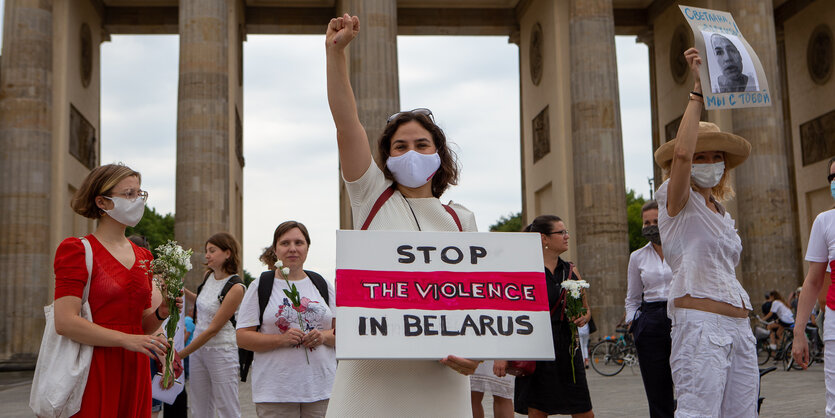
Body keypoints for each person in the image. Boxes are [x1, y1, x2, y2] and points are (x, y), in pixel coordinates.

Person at [325, 13, 482, 416]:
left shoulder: (461, 220)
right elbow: (347, 125)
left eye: (422, 144)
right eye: (399, 146)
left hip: (441, 379)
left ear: (439, 154)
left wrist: (477, 353)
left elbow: (479, 301)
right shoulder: (370, 195)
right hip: (371, 378)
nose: (411, 152)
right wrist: (335, 54)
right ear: (386, 156)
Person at [654, 47, 757, 416]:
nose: (709, 162)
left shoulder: (721, 211)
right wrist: (698, 88)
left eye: (716, 156)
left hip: (739, 328)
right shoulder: (676, 200)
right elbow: (680, 154)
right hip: (700, 326)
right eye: (701, 155)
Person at [53, 163, 177, 417]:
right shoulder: (76, 250)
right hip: (93, 365)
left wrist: (162, 312)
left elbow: (141, 327)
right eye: (129, 194)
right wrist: (126, 340)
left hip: (135, 366)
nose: (137, 201)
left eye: (139, 194)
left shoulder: (145, 257)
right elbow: (64, 321)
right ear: (102, 202)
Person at [497, 215, 594, 418]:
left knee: (584, 411)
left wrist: (582, 317)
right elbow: (510, 313)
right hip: (536, 345)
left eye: (566, 232)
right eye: (561, 232)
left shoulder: (570, 269)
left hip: (567, 346)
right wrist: (503, 355)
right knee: (538, 411)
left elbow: (586, 309)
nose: (567, 236)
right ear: (544, 239)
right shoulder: (524, 270)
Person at [236, 221, 336, 417]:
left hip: (322, 390)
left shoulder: (322, 284)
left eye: (299, 242)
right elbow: (242, 337)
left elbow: (344, 334)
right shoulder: (260, 286)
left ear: (307, 247)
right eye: (285, 243)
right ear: (275, 249)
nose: (292, 249)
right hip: (276, 393)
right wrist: (281, 339)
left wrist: (322, 337)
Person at [179, 232, 245, 418]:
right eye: (206, 250)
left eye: (212, 250)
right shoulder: (208, 276)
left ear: (227, 253)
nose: (207, 255)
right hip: (200, 351)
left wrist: (181, 354)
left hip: (221, 351)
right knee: (199, 406)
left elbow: (213, 329)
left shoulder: (236, 287)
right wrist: (180, 289)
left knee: (227, 407)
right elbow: (203, 303)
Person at [624, 200, 675, 418]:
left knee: (689, 382)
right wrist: (634, 322)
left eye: (656, 221)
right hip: (651, 319)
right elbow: (633, 296)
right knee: (656, 387)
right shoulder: (637, 257)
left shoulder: (682, 249)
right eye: (647, 223)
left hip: (681, 314)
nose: (651, 226)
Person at [793, 157, 835, 415]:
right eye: (832, 177)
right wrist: (799, 333)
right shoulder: (824, 222)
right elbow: (813, 280)